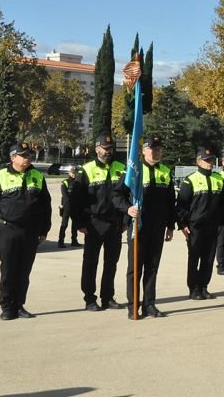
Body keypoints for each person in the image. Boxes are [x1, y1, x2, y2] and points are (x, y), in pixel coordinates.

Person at [0, 142, 51, 320]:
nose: (28, 158)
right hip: (8, 230)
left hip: (30, 231)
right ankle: (7, 307)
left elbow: (45, 206)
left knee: (24, 271)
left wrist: (44, 229)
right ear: (13, 158)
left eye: (29, 155)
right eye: (23, 155)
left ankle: (19, 305)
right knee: (9, 270)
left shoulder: (37, 176)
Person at [112, 136, 176, 319]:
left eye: (159, 149)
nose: (156, 152)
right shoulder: (134, 171)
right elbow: (117, 194)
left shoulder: (165, 171)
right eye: (152, 148)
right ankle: (133, 306)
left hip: (158, 228)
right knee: (135, 268)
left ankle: (150, 304)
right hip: (138, 226)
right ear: (143, 150)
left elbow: (171, 201)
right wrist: (127, 208)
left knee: (152, 267)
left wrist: (170, 226)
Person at [72, 134, 127, 312]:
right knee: (90, 263)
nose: (108, 152)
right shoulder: (86, 170)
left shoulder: (122, 169)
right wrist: (79, 223)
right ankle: (89, 298)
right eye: (105, 148)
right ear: (97, 149)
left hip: (115, 224)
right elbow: (76, 200)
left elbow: (128, 196)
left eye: (110, 149)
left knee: (111, 263)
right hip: (93, 224)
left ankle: (108, 297)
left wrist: (125, 220)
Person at [176, 148, 224, 300]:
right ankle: (193, 289)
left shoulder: (218, 179)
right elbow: (182, 205)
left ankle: (204, 287)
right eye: (206, 160)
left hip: (213, 226)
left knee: (208, 258)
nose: (210, 163)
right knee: (194, 258)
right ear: (198, 161)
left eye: (211, 160)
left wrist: (221, 223)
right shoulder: (190, 180)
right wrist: (182, 224)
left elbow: (223, 203)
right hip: (195, 227)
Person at [57, 165, 80, 248]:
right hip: (67, 207)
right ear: (69, 173)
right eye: (72, 172)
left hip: (75, 207)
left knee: (75, 225)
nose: (74, 174)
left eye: (75, 173)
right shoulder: (65, 182)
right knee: (64, 224)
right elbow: (65, 196)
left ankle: (74, 240)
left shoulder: (78, 183)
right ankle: (60, 241)